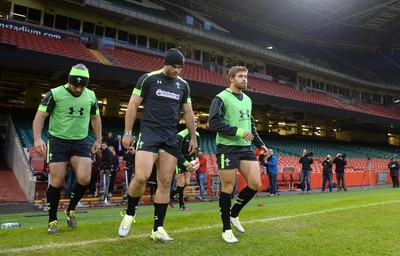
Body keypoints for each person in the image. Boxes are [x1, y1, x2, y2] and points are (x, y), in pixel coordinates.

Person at [118, 48, 198, 242]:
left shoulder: (183, 85)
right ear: (166, 63)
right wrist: (128, 132)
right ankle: (129, 214)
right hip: (149, 133)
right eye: (174, 66)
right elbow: (133, 105)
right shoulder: (148, 79)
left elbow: (188, 113)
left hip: (170, 137)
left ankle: (158, 228)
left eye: (180, 67)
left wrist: (193, 137)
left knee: (164, 182)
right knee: (142, 177)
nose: (177, 70)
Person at [32, 63, 102, 234]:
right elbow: (40, 117)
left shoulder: (91, 95)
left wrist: (98, 139)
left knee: (85, 179)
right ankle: (52, 220)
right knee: (57, 181)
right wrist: (37, 138)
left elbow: (96, 119)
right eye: (75, 85)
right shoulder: (54, 94)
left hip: (81, 141)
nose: (78, 89)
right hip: (58, 141)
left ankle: (70, 208)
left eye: (82, 85)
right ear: (69, 81)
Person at [208, 66, 268, 244]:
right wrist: (237, 132)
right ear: (231, 79)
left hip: (246, 148)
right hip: (227, 147)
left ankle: (234, 214)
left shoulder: (248, 99)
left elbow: (250, 126)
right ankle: (226, 229)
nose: (245, 79)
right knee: (228, 187)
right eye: (241, 76)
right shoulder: (221, 98)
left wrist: (260, 143)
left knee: (255, 183)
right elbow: (213, 123)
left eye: (246, 76)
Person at [170, 122, 200, 211]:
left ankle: (169, 195)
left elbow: (196, 149)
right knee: (181, 183)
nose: (194, 127)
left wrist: (196, 160)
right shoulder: (181, 135)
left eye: (196, 125)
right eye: (192, 124)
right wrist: (186, 163)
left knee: (186, 183)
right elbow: (177, 151)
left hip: (189, 162)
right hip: (179, 160)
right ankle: (181, 206)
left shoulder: (197, 135)